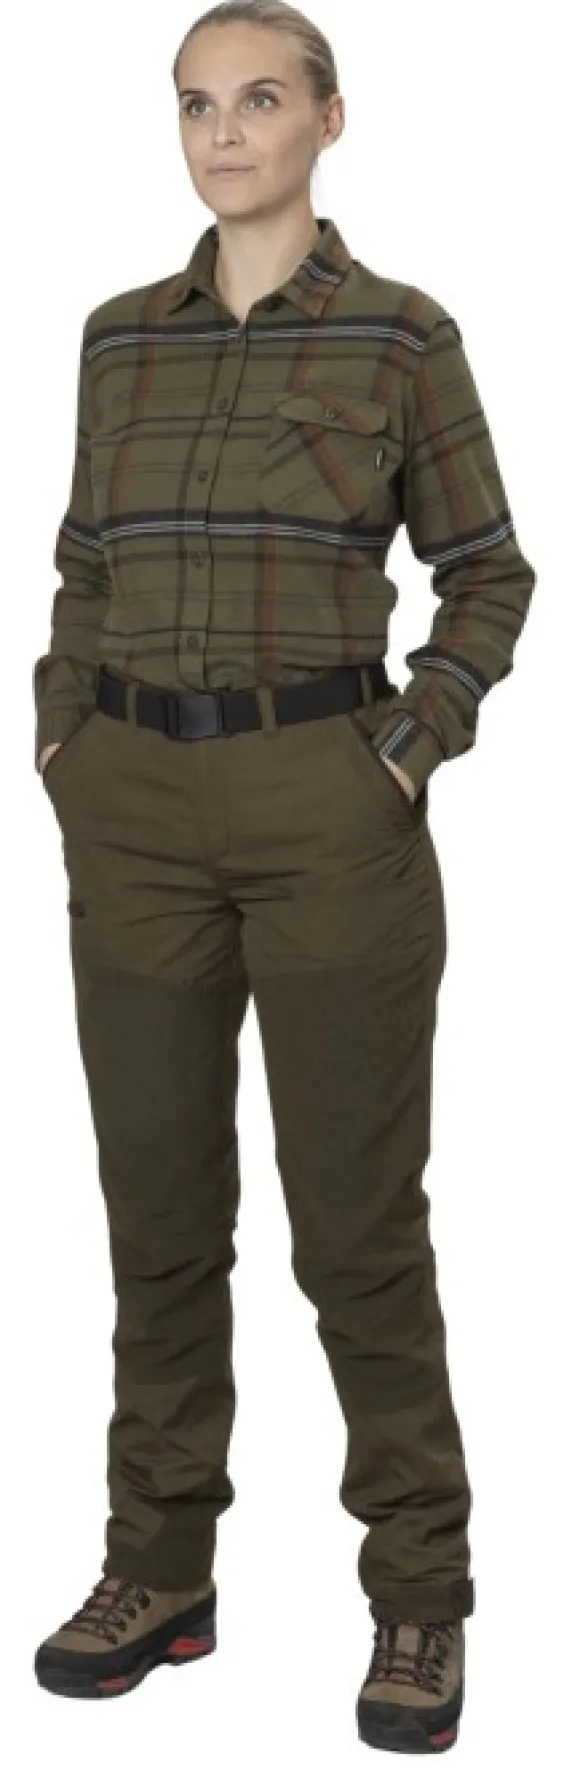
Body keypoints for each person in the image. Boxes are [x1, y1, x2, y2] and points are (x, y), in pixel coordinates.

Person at [32, 0, 536, 1750]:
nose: (225, 132)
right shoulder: (119, 339)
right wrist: (64, 732)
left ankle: (419, 1594)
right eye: (196, 105)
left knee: (358, 1230)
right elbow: (85, 557)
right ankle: (158, 1565)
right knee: (159, 1217)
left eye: (259, 99)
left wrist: (406, 745)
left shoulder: (402, 334)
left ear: (330, 117)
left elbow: (489, 573)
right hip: (135, 810)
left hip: (327, 808)